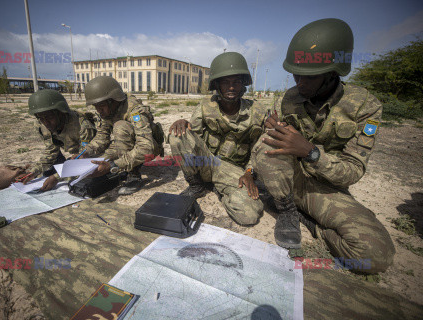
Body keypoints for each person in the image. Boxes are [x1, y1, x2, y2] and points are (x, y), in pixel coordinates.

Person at [252, 18, 395, 273]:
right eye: (295, 74)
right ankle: (287, 212)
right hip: (291, 182)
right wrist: (272, 133)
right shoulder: (290, 99)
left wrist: (310, 152)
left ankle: (313, 223)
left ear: (333, 73)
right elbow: (271, 149)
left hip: (326, 189)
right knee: (265, 142)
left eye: (308, 76)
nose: (299, 82)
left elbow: (353, 171)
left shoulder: (365, 106)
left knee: (375, 255)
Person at [168, 52, 266, 225]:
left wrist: (249, 173)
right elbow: (193, 139)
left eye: (236, 82)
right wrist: (183, 123)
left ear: (243, 85)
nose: (231, 87)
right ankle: (196, 185)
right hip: (208, 163)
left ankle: (221, 189)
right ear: (217, 85)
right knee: (178, 135)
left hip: (235, 172)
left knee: (249, 215)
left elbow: (259, 149)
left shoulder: (257, 111)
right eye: (226, 82)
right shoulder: (206, 106)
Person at [82, 76, 164, 195]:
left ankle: (133, 175)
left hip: (149, 145)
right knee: (98, 161)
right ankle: (121, 167)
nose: (98, 110)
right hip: (125, 143)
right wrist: (85, 151)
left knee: (120, 127)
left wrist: (114, 165)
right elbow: (102, 137)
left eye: (101, 106)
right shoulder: (107, 111)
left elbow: (146, 147)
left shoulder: (134, 110)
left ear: (112, 100)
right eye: (96, 107)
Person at [20, 89, 97, 191]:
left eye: (49, 117)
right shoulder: (42, 125)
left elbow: (84, 159)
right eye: (41, 118)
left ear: (61, 113)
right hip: (73, 156)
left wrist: (56, 177)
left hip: (89, 155)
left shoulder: (83, 126)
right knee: (47, 173)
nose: (46, 123)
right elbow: (51, 151)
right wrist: (33, 172)